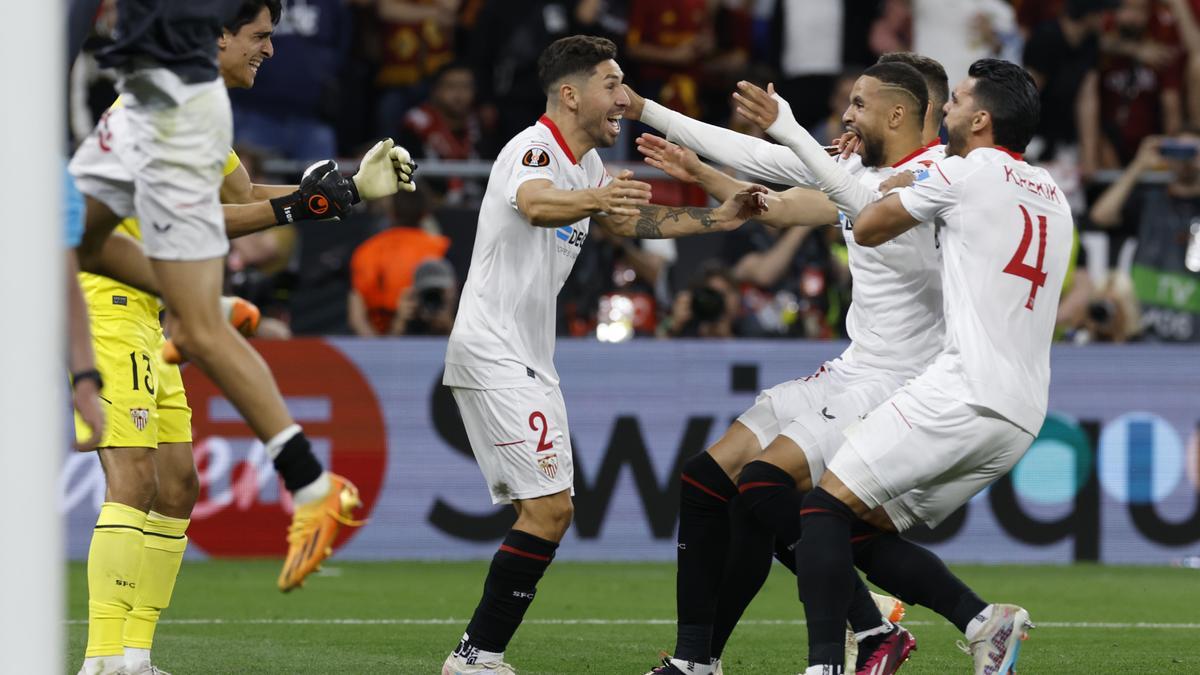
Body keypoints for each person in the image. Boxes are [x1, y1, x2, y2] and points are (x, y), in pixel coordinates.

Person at [68, 0, 417, 623]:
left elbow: (245, 195)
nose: (271, 49)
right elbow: (220, 217)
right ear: (218, 36)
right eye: (259, 36)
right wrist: (301, 207)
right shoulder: (176, 109)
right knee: (141, 470)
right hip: (105, 302)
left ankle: (131, 657)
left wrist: (350, 188)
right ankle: (308, 482)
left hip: (118, 281)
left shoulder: (188, 101)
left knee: (178, 485)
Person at [439, 35, 767, 675]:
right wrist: (596, 199)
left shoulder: (584, 166)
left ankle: (478, 655)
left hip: (528, 355)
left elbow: (629, 224)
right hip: (496, 352)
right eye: (613, 85)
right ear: (571, 94)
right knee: (550, 509)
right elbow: (534, 204)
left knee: (550, 510)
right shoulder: (533, 149)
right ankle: (475, 657)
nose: (625, 99)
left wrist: (717, 220)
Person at [627, 56, 964, 674]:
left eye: (859, 104)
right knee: (708, 480)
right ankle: (695, 662)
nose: (847, 115)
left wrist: (787, 128)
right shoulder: (862, 170)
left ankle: (868, 624)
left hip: (898, 382)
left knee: (765, 486)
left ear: (908, 110)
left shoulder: (939, 178)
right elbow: (778, 195)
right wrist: (652, 118)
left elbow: (825, 182)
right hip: (852, 367)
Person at [795, 58, 1072, 675]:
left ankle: (828, 664)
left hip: (963, 390)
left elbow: (866, 228)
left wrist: (872, 181)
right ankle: (984, 623)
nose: (942, 109)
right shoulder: (1054, 193)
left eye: (957, 100)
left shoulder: (965, 171)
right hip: (1022, 415)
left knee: (819, 509)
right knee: (856, 529)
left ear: (980, 118)